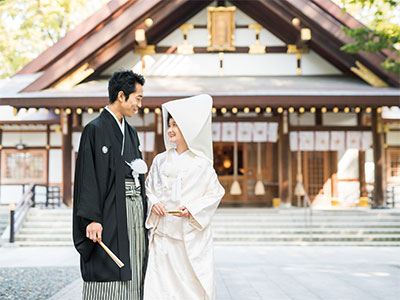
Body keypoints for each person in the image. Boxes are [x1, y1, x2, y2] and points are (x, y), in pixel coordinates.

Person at [72, 70, 148, 300]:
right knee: (108, 264)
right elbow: (87, 177)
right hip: (107, 212)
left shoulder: (132, 133)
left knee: (134, 258)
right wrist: (92, 218)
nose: (139, 105)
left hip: (133, 210)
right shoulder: (94, 130)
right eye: (138, 98)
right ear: (122, 96)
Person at [143, 94, 225, 300]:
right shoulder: (160, 160)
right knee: (160, 288)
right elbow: (148, 188)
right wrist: (154, 204)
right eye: (169, 124)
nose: (170, 129)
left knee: (190, 288)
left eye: (175, 125)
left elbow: (215, 193)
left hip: (188, 237)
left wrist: (193, 209)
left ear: (187, 128)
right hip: (163, 238)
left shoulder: (202, 163)